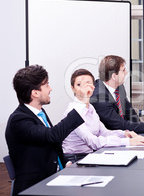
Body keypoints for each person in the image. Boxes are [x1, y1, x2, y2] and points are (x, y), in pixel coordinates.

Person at [5, 65, 85, 196]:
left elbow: (52, 145)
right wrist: (81, 105)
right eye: (46, 85)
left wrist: (66, 162)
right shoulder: (18, 120)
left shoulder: (39, 113)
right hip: (35, 187)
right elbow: (53, 136)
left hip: (55, 178)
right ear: (35, 93)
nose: (50, 89)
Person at [62, 69, 144, 162]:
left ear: (93, 87)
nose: (84, 88)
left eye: (88, 83)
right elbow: (93, 142)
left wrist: (124, 134)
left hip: (90, 155)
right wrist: (128, 142)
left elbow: (104, 133)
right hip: (75, 159)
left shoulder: (90, 107)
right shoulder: (73, 111)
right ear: (72, 88)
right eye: (79, 84)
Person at [90, 55, 144, 133]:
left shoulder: (119, 87)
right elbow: (118, 125)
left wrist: (142, 130)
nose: (126, 73)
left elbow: (130, 113)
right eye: (123, 70)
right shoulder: (99, 97)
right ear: (114, 76)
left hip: (125, 136)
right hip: (110, 139)